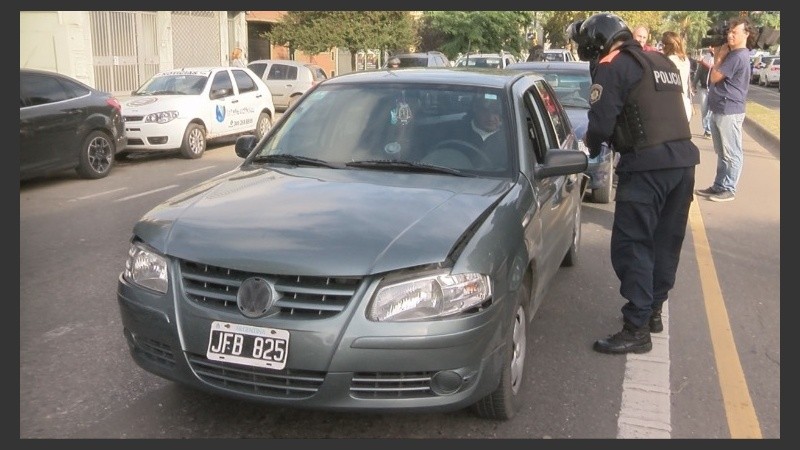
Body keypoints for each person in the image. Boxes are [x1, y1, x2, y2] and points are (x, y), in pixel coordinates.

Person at [567, 12, 700, 354]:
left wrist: (591, 149)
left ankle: (636, 328)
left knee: (633, 244)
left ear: (598, 43)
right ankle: (653, 310)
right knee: (665, 242)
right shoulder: (661, 61)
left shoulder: (613, 64)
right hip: (683, 164)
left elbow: (599, 124)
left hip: (647, 169)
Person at [695, 17, 756, 203]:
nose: (730, 35)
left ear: (746, 34)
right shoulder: (733, 54)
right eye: (729, 31)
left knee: (732, 153)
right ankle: (719, 185)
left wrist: (719, 57)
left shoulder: (738, 56)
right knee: (722, 152)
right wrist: (720, 56)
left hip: (729, 109)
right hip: (720, 107)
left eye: (734, 32)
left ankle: (729, 188)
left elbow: (714, 77)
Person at [661, 31, 693, 122]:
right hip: (684, 105)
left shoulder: (668, 61)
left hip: (672, 107)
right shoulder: (685, 59)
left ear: (665, 45)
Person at [693, 47, 714, 138]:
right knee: (704, 109)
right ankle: (706, 129)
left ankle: (709, 129)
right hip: (704, 88)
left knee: (710, 110)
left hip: (714, 89)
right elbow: (699, 72)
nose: (712, 48)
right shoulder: (705, 58)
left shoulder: (720, 58)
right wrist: (694, 84)